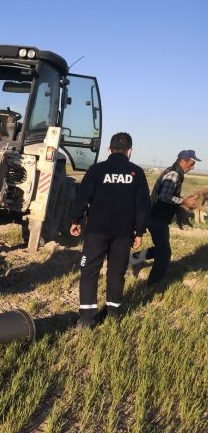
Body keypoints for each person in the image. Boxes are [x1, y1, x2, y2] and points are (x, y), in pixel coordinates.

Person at [69, 132, 151, 329]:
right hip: (123, 233)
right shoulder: (136, 173)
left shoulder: (97, 170)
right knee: (116, 272)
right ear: (129, 151)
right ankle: (113, 313)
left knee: (89, 271)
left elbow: (82, 196)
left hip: (97, 230)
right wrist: (139, 232)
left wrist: (75, 219)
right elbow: (143, 206)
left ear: (109, 149)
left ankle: (87, 319)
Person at [129, 149, 201, 284]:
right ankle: (152, 285)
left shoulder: (176, 172)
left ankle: (133, 259)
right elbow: (164, 197)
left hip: (157, 216)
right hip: (156, 217)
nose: (193, 167)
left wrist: (179, 206)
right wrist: (183, 201)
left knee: (161, 249)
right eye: (191, 164)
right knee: (164, 253)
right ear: (183, 161)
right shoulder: (174, 174)